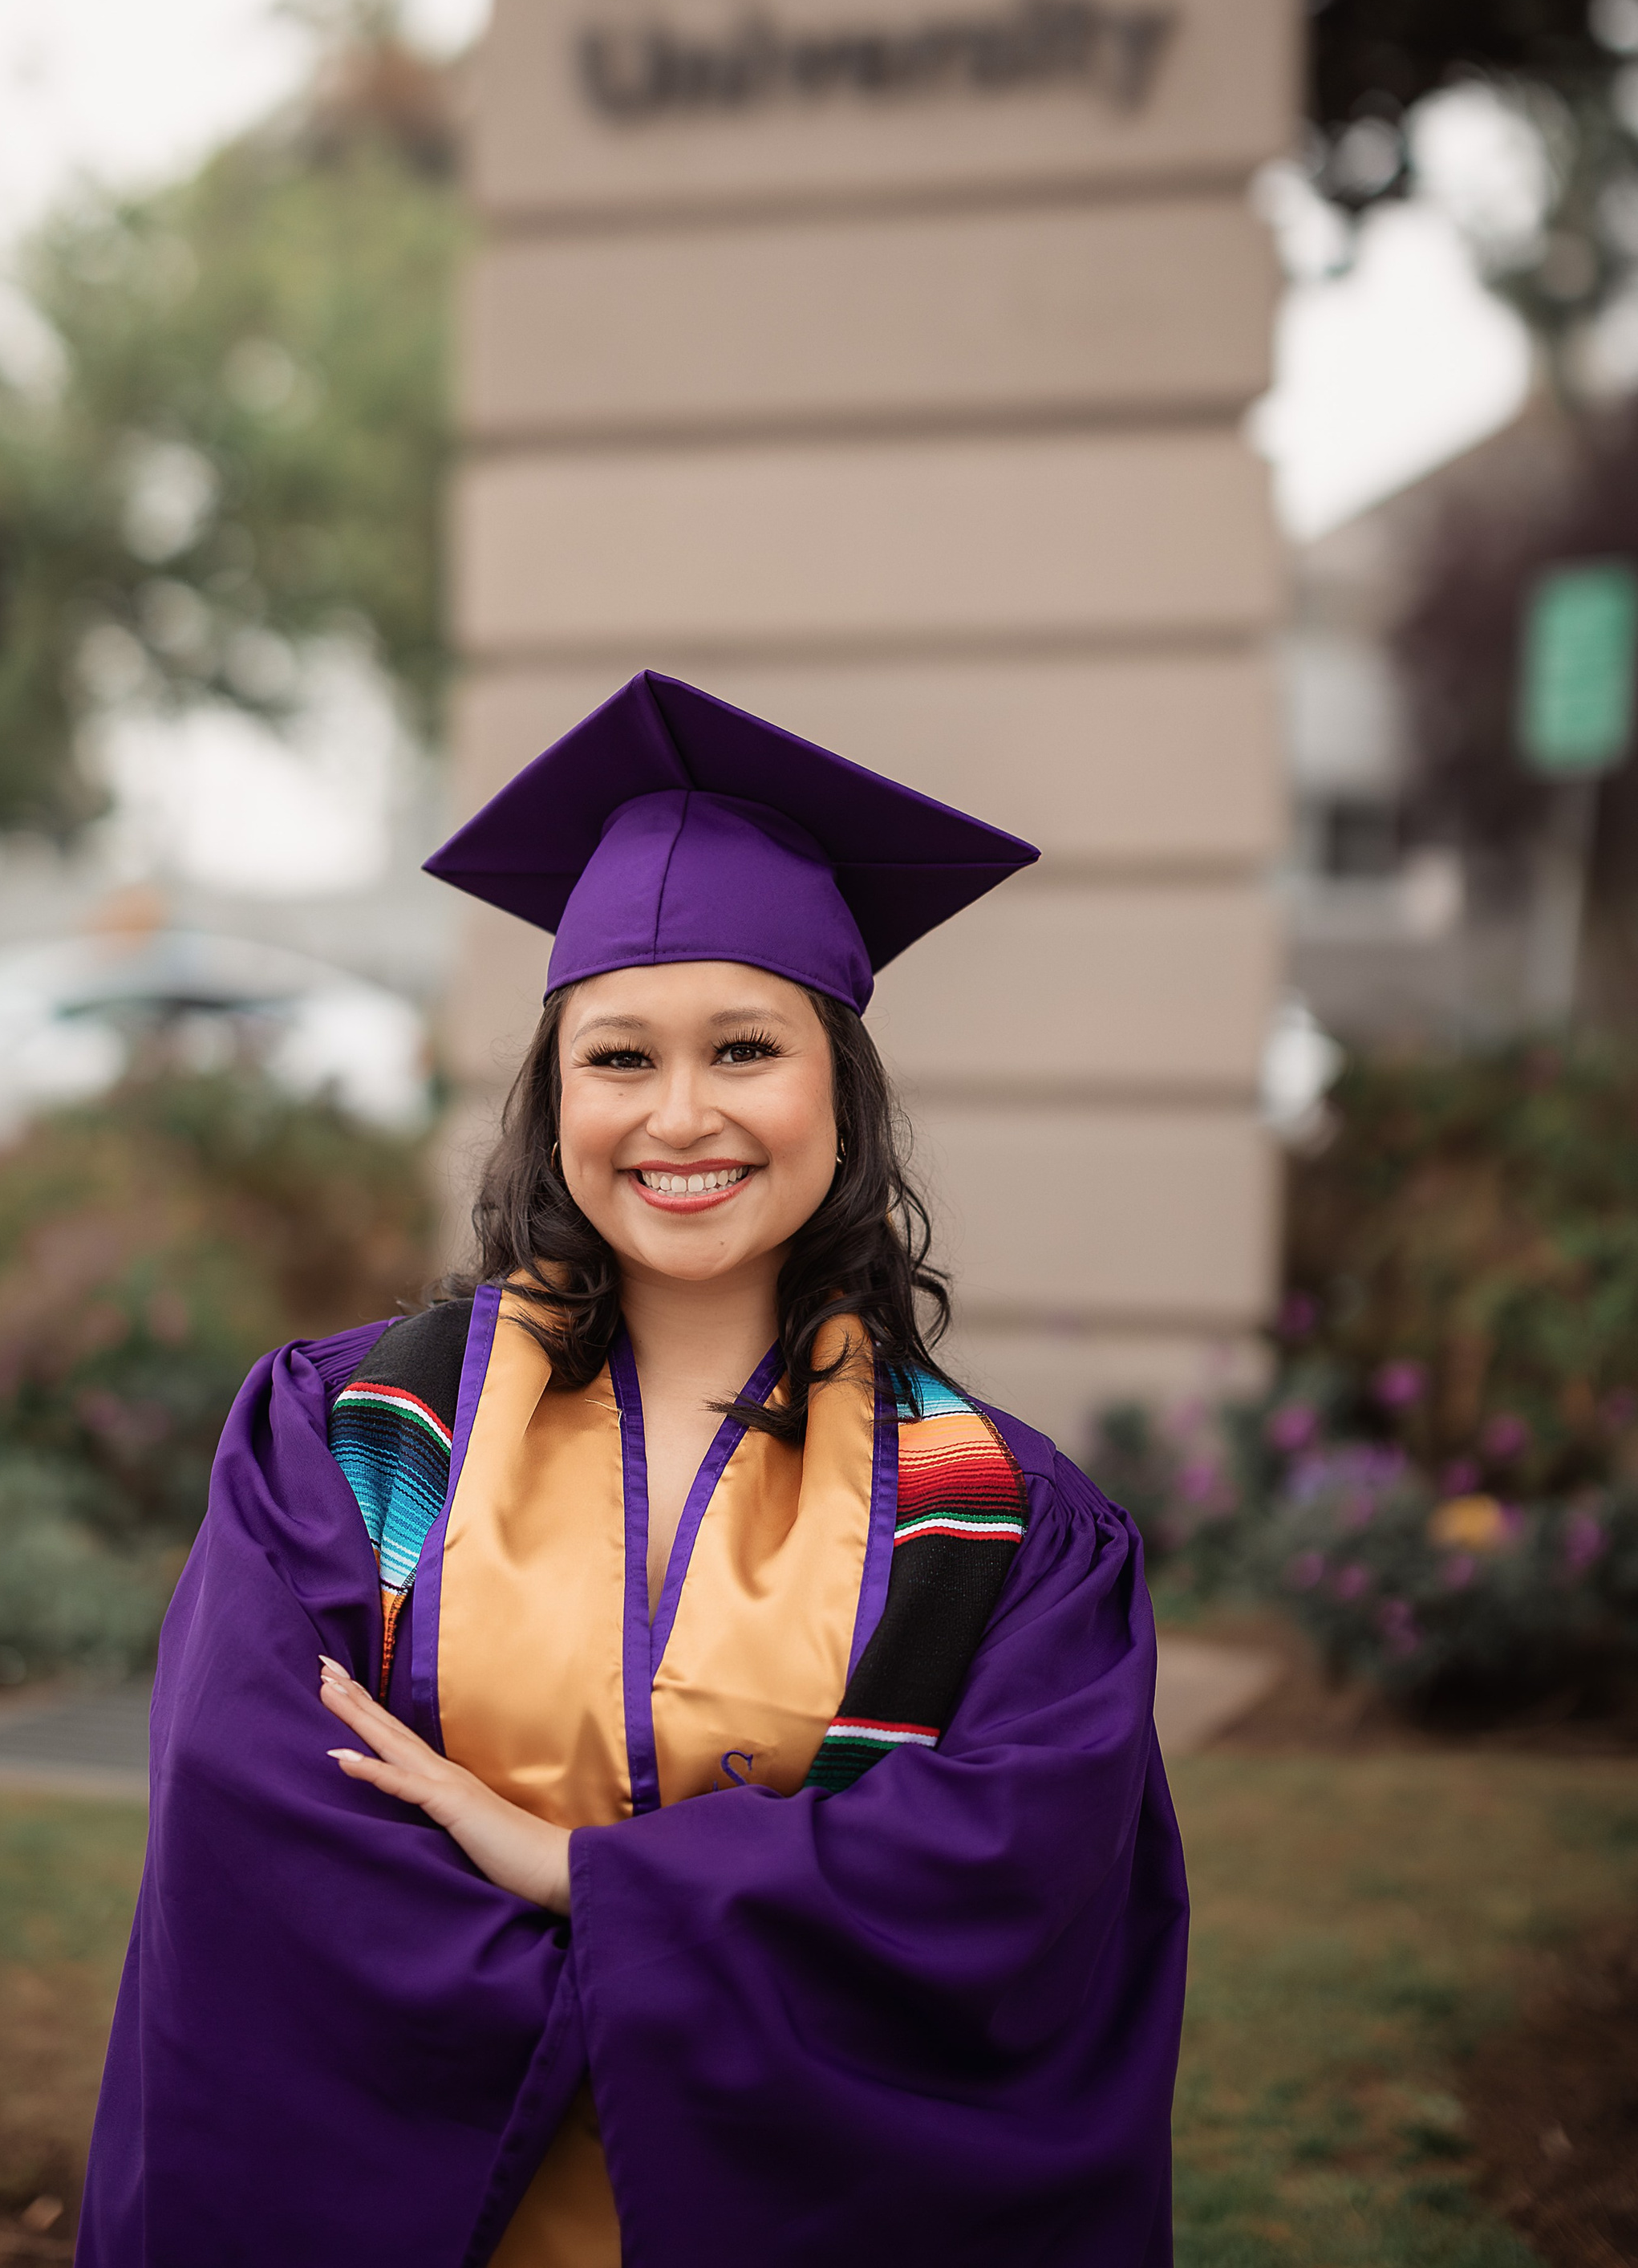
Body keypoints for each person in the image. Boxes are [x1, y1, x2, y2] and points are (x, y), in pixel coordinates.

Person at [76, 671, 1188, 2268]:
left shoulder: (990, 1524)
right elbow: (263, 1839)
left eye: (744, 1046)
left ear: (837, 1092)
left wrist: (586, 1877)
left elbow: (1007, 1884)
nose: (680, 1115)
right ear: (552, 1097)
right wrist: (699, 1938)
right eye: (617, 1057)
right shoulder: (360, 1440)